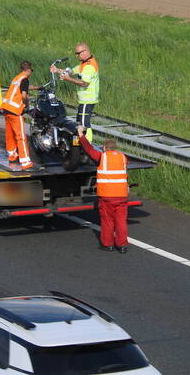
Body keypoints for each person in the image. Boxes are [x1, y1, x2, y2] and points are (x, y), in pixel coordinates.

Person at [76, 125, 129, 253]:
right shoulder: (123, 157)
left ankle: (107, 244)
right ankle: (122, 245)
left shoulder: (102, 157)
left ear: (104, 148)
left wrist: (81, 135)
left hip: (107, 196)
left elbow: (88, 149)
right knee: (121, 221)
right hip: (122, 195)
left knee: (107, 221)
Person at [52, 43, 99, 142]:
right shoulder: (84, 63)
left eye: (78, 53)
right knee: (80, 123)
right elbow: (71, 72)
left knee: (83, 125)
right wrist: (57, 70)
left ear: (85, 51)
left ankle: (85, 146)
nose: (77, 56)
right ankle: (77, 145)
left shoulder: (89, 66)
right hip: (84, 100)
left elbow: (84, 83)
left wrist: (68, 79)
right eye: (76, 53)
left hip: (88, 100)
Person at [0, 61, 38, 171]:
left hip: (7, 108)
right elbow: (24, 94)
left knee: (10, 134)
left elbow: (22, 88)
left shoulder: (17, 78)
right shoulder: (25, 79)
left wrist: (36, 87)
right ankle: (26, 162)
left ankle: (12, 156)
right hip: (15, 111)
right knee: (21, 136)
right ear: (28, 70)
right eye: (31, 71)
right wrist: (26, 105)